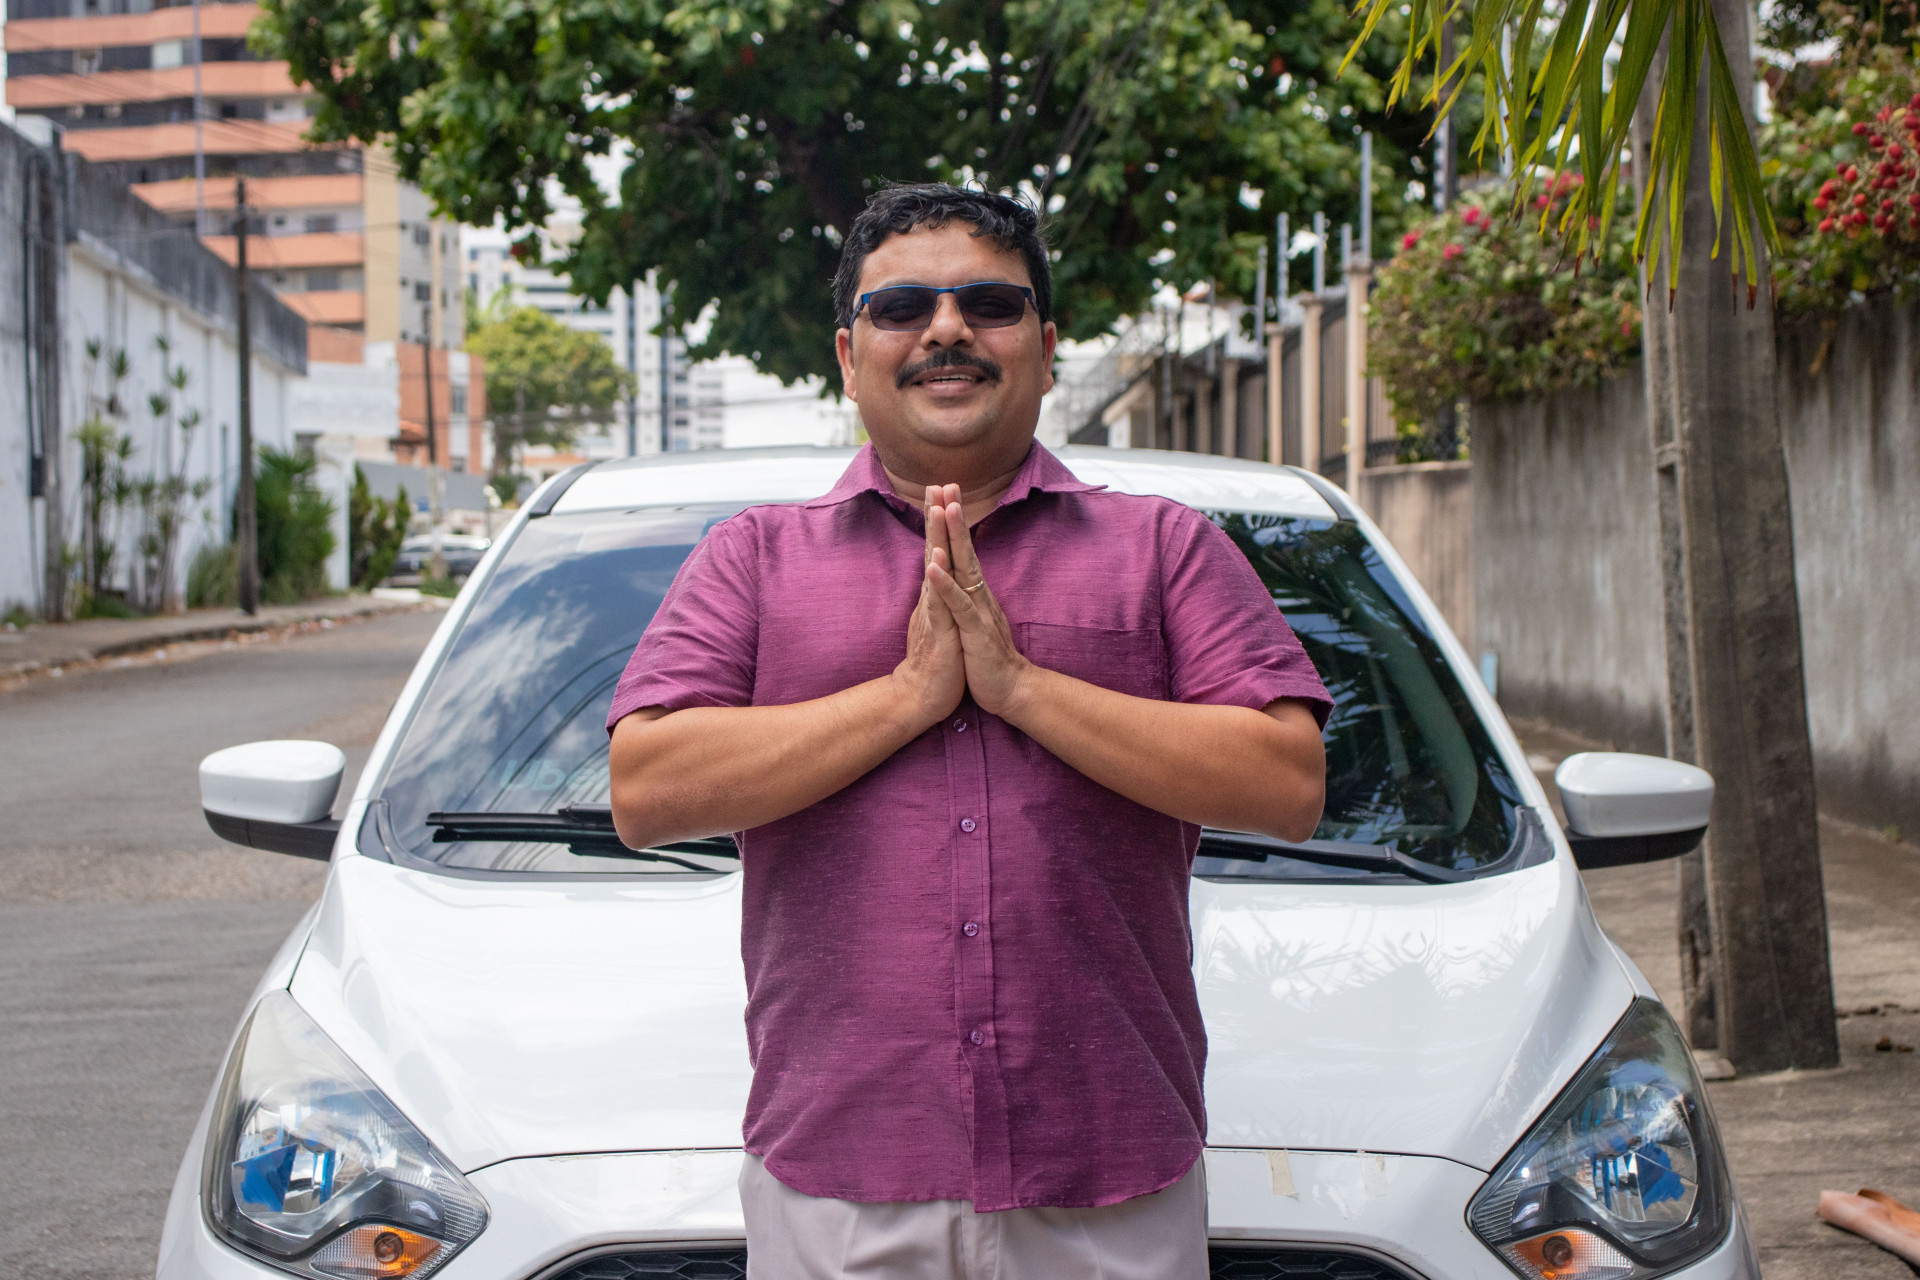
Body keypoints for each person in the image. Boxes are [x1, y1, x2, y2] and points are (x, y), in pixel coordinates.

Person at [606, 183, 1332, 1280]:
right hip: (841, 1184)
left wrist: (1022, 686)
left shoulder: (1165, 550)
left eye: (988, 303)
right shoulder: (753, 559)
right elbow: (647, 788)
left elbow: (1287, 780)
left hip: (1111, 1183)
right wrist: (905, 697)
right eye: (904, 309)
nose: (946, 329)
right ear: (850, 356)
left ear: (1045, 347)